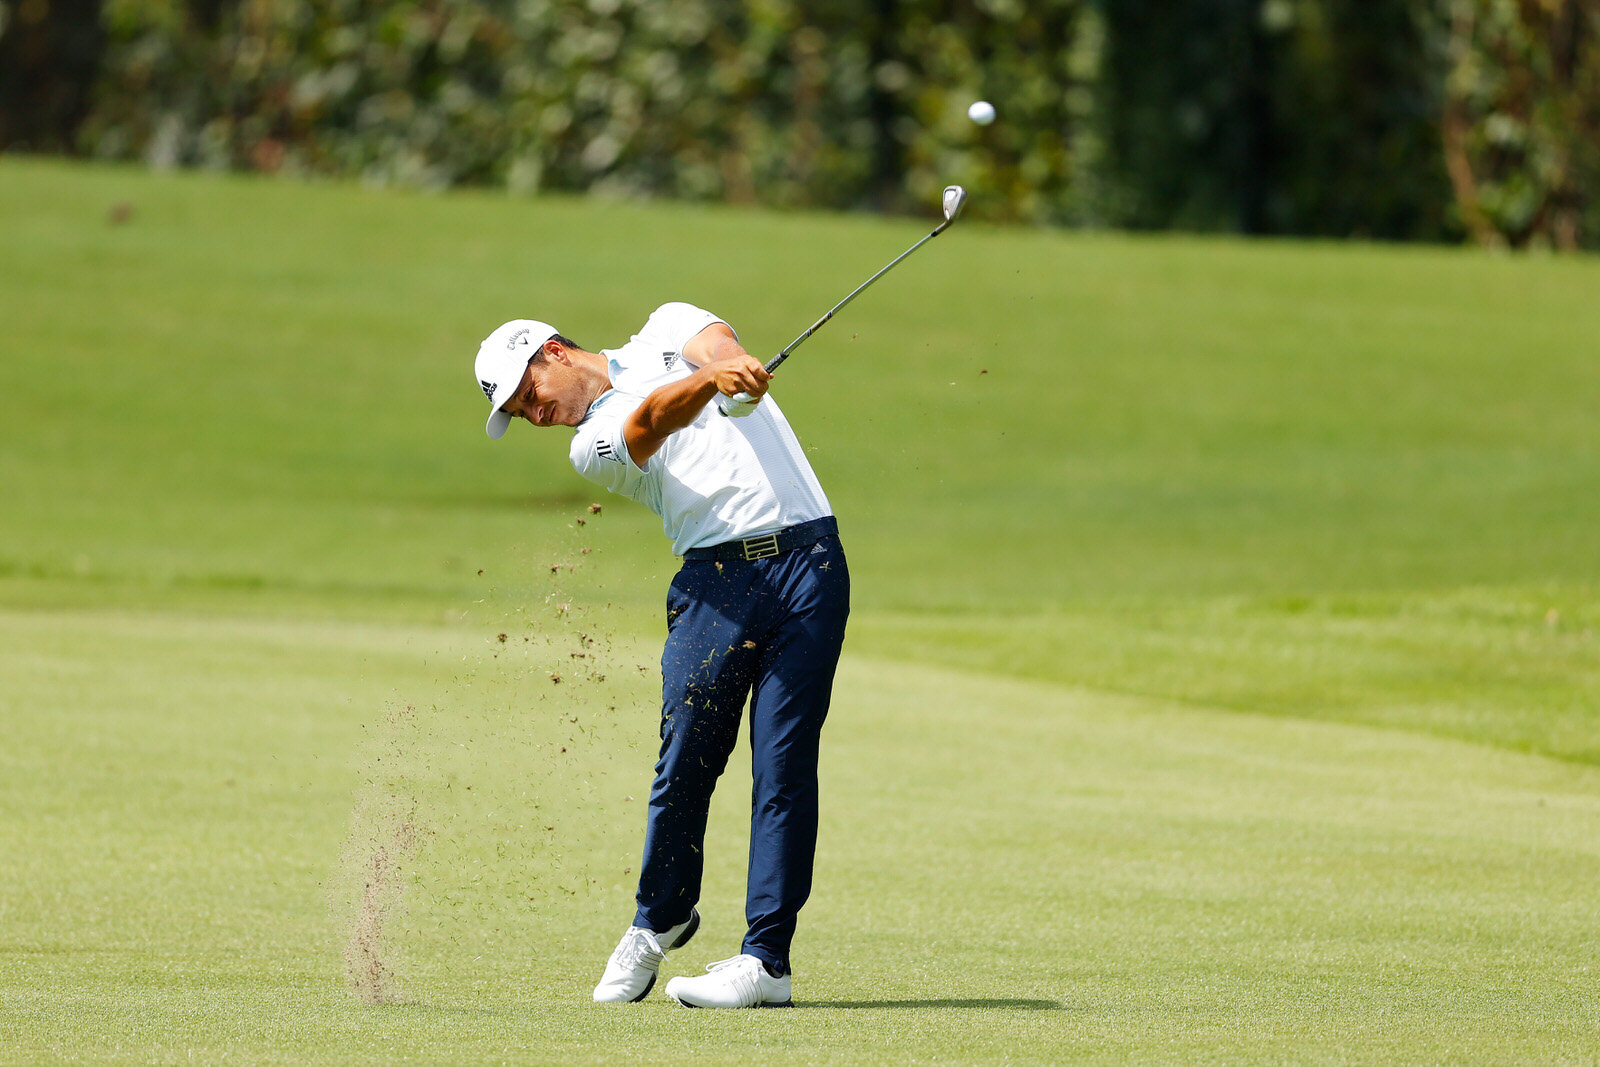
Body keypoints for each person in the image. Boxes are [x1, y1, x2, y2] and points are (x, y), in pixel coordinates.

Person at [471, 302, 850, 1009]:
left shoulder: (666, 325)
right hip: (716, 582)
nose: (535, 413)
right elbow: (651, 423)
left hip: (810, 563)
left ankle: (766, 960)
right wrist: (712, 384)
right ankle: (661, 915)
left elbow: (714, 342)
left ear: (552, 351)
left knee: (785, 766)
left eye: (529, 395)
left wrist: (725, 367)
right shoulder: (591, 445)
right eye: (521, 414)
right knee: (686, 761)